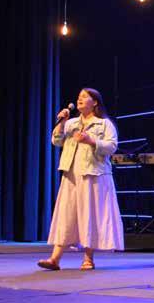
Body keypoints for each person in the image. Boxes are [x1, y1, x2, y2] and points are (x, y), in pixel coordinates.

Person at [38, 88, 124, 271]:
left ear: (95, 102)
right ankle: (54, 259)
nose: (80, 99)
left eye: (85, 97)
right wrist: (62, 122)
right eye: (78, 97)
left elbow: (112, 147)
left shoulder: (104, 124)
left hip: (93, 174)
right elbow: (56, 141)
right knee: (66, 214)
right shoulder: (71, 123)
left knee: (89, 215)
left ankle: (88, 259)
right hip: (71, 174)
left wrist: (91, 141)